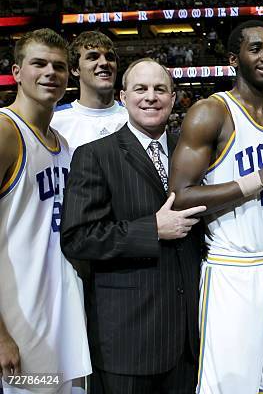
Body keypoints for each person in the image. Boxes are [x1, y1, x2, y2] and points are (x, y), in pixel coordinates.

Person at [168, 20, 263, 393]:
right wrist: (258, 179)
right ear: (234, 58)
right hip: (233, 269)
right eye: (256, 48)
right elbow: (179, 196)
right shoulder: (211, 112)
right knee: (232, 387)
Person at [60, 58, 206, 393]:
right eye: (140, 89)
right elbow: (78, 238)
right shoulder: (95, 155)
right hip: (128, 340)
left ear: (173, 97)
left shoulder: (193, 153)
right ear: (123, 97)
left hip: (188, 340)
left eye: (160, 89)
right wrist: (151, 229)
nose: (150, 97)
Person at [0, 28, 91, 394]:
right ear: (16, 71)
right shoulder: (6, 131)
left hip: (63, 312)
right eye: (38, 63)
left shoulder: (63, 144)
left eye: (59, 66)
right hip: (21, 320)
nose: (50, 72)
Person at [51, 31, 127, 154]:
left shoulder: (135, 116)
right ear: (75, 69)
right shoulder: (54, 121)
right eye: (93, 57)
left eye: (109, 57)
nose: (104, 63)